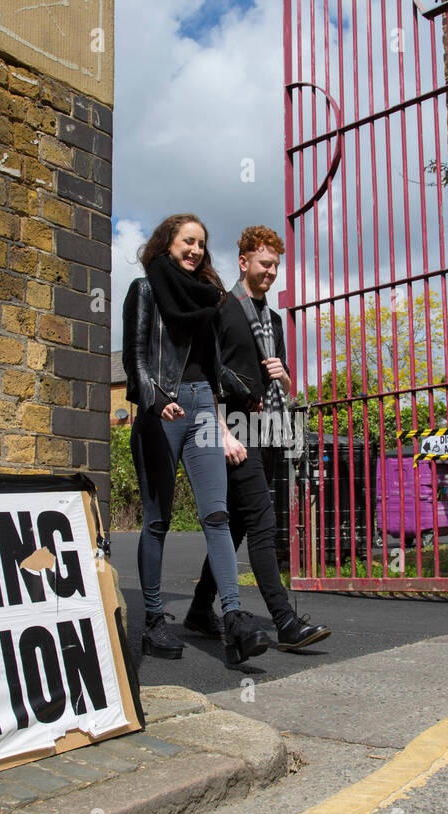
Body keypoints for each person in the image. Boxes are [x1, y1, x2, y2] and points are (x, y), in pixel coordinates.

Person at [121, 214, 272, 665]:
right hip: (162, 408)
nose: (196, 250)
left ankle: (233, 620)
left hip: (203, 405)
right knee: (157, 520)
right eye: (189, 241)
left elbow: (208, 366)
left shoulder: (209, 297)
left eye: (202, 244)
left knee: (217, 515)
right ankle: (152, 620)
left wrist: (247, 389)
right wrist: (152, 399)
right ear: (168, 242)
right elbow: (135, 354)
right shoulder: (145, 289)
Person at [184, 226, 332, 652]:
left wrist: (285, 377)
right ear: (244, 261)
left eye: (276, 267)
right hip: (232, 430)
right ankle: (285, 622)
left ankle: (198, 610)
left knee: (233, 530)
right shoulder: (222, 308)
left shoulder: (273, 320)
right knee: (264, 524)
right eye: (265, 264)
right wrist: (223, 433)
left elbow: (277, 378)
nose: (271, 273)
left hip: (267, 431)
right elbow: (205, 375)